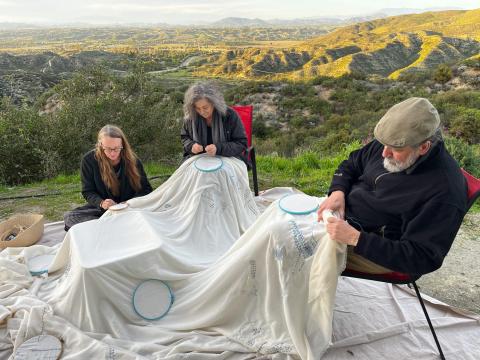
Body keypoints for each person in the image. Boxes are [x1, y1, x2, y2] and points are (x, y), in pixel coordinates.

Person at [317, 97, 468, 277]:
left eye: (395, 149)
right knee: (278, 221)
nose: (384, 153)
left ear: (423, 147)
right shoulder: (394, 141)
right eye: (384, 144)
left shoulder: (445, 191)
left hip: (373, 248)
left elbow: (423, 257)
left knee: (290, 250)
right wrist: (337, 192)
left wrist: (355, 238)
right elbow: (351, 163)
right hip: (343, 219)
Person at [63, 125, 152, 231]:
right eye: (108, 149)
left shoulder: (133, 160)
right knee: (70, 217)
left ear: (122, 145)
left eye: (117, 148)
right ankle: (116, 225)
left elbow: (146, 189)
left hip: (129, 208)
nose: (113, 153)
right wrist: (101, 202)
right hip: (104, 210)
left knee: (150, 215)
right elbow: (88, 191)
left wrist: (129, 203)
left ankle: (108, 227)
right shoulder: (89, 160)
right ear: (100, 145)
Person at [180, 81, 248, 164]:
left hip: (228, 158)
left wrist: (218, 148)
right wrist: (191, 146)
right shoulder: (191, 116)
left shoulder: (230, 115)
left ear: (214, 103)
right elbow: (185, 137)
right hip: (197, 159)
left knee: (218, 174)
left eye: (205, 107)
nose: (202, 112)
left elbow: (241, 143)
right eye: (198, 108)